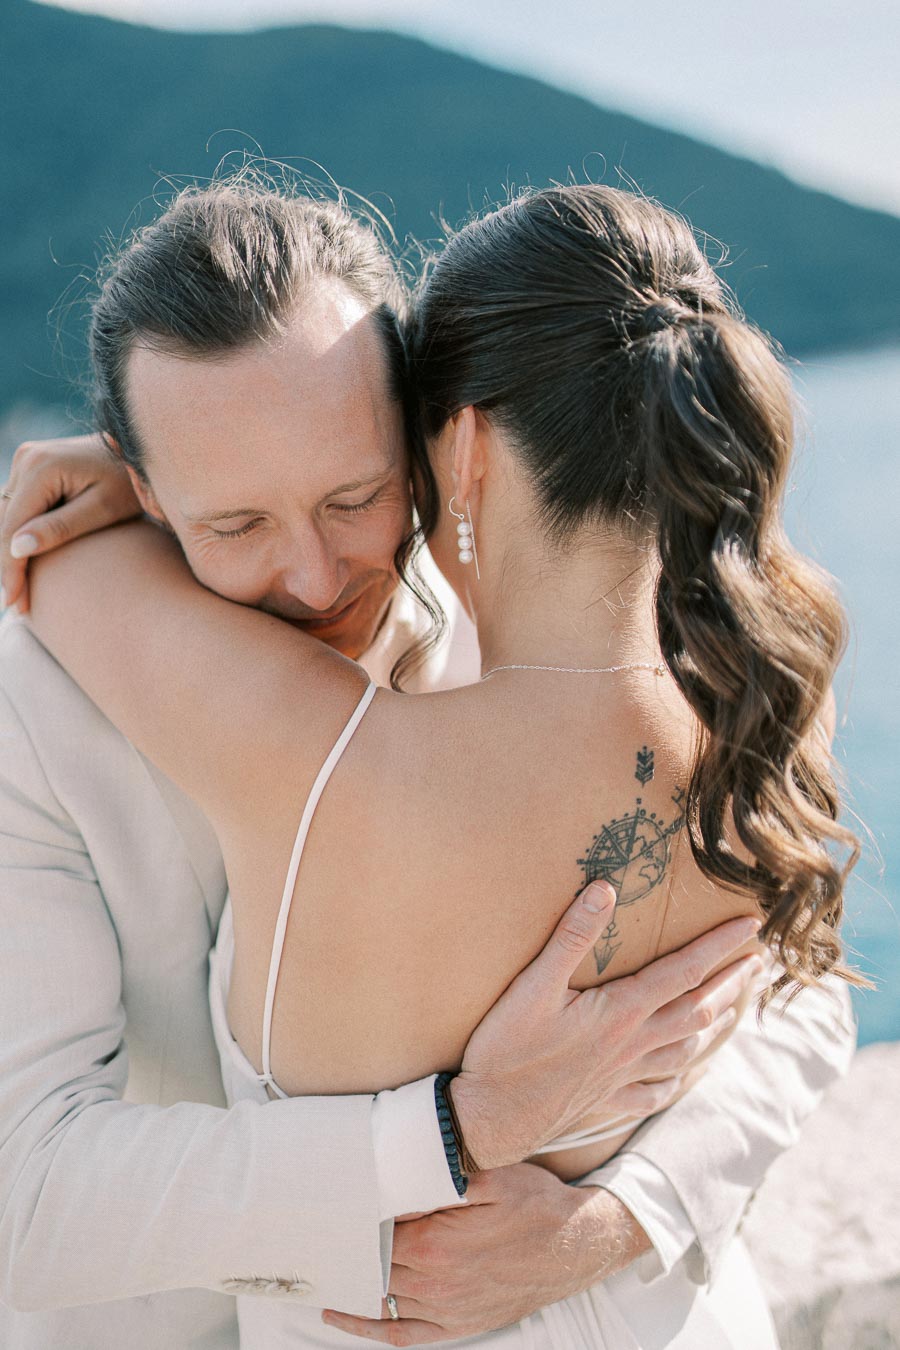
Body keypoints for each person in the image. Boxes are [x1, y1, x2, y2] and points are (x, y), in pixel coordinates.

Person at [15, 180, 859, 1349]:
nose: (313, 579)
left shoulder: (549, 632)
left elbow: (800, 999)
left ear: (437, 441)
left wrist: (619, 1215)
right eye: (235, 524)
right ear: (146, 491)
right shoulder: (30, 705)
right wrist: (454, 1129)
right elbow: (23, 1196)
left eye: (355, 496)